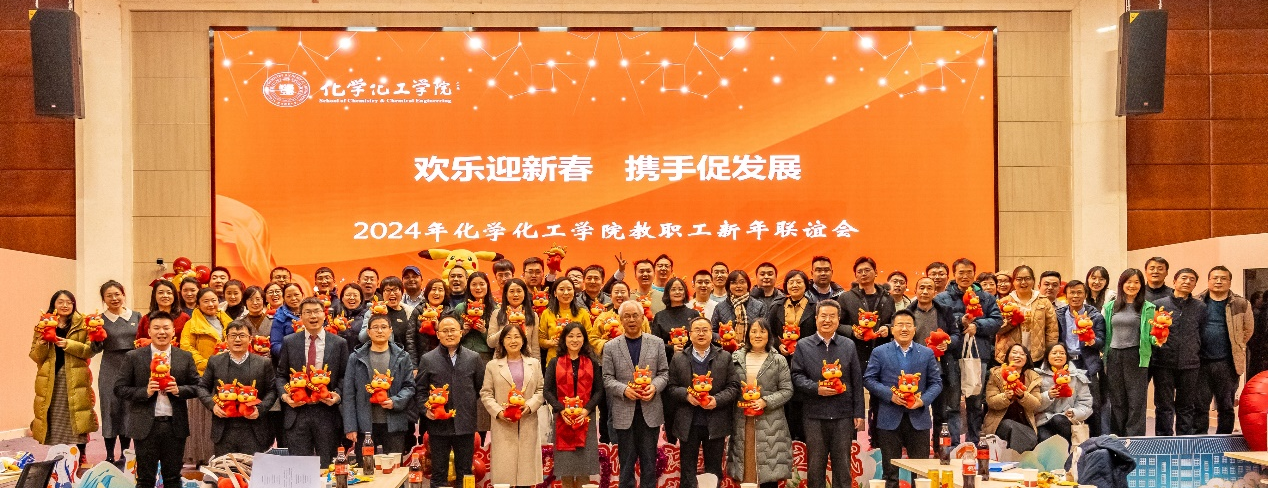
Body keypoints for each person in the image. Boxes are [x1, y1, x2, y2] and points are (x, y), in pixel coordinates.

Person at [115, 311, 200, 488]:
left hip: (174, 426)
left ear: (173, 331)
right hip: (145, 426)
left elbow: (198, 386)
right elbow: (119, 388)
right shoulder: (134, 357)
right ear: (149, 331)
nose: (162, 332)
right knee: (145, 479)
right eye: (156, 328)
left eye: (166, 328)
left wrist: (179, 390)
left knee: (173, 478)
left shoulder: (184, 357)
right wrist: (145, 392)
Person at [863, 310, 943, 488]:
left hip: (919, 419)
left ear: (915, 329)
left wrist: (923, 401)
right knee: (890, 473)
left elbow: (937, 383)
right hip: (889, 419)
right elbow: (869, 379)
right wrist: (890, 395)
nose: (904, 329)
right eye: (900, 325)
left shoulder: (926, 353)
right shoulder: (879, 352)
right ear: (892, 329)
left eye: (908, 325)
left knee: (921, 474)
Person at [790, 300, 865, 488]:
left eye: (832, 316)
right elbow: (796, 376)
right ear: (816, 318)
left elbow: (856, 381)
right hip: (814, 415)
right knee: (815, 467)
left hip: (843, 415)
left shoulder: (848, 345)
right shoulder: (803, 345)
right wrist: (816, 388)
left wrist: (858, 413)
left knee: (843, 467)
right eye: (823, 316)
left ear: (838, 320)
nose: (827, 320)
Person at [602, 300, 670, 488]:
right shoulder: (610, 346)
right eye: (627, 316)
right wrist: (624, 390)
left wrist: (654, 387)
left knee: (649, 464)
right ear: (620, 320)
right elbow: (607, 378)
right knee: (626, 464)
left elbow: (664, 373)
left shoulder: (657, 343)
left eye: (635, 316)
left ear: (642, 318)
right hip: (624, 412)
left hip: (650, 411)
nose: (631, 320)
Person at [933, 258, 1002, 444]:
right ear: (954, 274)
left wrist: (977, 326)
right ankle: (954, 444)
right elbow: (939, 323)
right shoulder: (942, 298)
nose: (965, 276)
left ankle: (974, 442)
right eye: (961, 272)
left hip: (978, 355)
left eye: (969, 272)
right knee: (952, 403)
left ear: (974, 274)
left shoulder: (986, 297)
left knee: (975, 402)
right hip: (952, 355)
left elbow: (997, 320)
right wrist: (959, 322)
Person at [668, 317, 740, 488]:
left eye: (705, 330)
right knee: (687, 471)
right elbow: (670, 387)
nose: (701, 334)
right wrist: (686, 396)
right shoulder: (678, 358)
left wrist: (717, 400)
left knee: (713, 471)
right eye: (697, 330)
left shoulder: (724, 357)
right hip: (688, 423)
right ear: (689, 334)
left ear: (712, 334)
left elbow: (734, 386)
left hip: (716, 422)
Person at [276, 297, 349, 464]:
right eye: (307, 312)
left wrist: (337, 395)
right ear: (300, 316)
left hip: (326, 412)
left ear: (324, 315)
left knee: (329, 465)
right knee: (300, 467)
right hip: (297, 412)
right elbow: (281, 375)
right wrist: (285, 396)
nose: (313, 316)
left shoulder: (339, 343)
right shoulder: (289, 341)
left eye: (317, 311)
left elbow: (345, 375)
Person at [417, 317, 485, 488]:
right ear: (438, 334)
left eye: (453, 330)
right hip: (438, 426)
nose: (449, 334)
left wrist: (465, 403)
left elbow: (480, 388)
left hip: (465, 424)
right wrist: (426, 409)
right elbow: (420, 390)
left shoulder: (473, 358)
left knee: (466, 472)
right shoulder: (428, 359)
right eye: (445, 331)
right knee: (438, 473)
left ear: (461, 333)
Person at [30, 290, 98, 459]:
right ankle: (57, 455)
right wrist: (41, 343)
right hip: (51, 378)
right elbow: (35, 356)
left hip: (76, 376)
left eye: (69, 302)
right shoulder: (44, 323)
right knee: (55, 415)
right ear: (54, 304)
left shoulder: (83, 323)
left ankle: (81, 454)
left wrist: (68, 344)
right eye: (60, 302)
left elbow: (90, 350)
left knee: (78, 415)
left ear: (74, 305)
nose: (65, 305)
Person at [726, 318, 793, 488]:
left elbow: (787, 390)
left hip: (771, 424)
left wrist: (765, 401)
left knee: (769, 473)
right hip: (743, 422)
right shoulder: (735, 358)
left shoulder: (778, 360)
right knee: (745, 472)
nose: (758, 335)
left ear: (769, 335)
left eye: (762, 331)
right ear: (747, 334)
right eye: (754, 331)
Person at [196, 321, 277, 455]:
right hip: (223, 428)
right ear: (226, 339)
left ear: (250, 339)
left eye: (242, 335)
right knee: (225, 467)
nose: (237, 339)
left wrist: (260, 409)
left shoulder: (263, 363)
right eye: (233, 335)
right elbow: (202, 387)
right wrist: (212, 405)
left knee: (252, 468)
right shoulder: (215, 361)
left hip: (254, 428)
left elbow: (272, 390)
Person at [481, 323, 546, 488]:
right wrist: (498, 412)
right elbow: (486, 393)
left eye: (517, 337)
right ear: (502, 341)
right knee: (505, 478)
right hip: (503, 424)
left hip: (528, 421)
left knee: (527, 477)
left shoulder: (534, 363)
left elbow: (541, 390)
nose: (513, 341)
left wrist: (530, 406)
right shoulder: (492, 366)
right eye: (508, 337)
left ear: (523, 340)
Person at [341, 314, 416, 455]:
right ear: (368, 332)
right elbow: (349, 393)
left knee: (393, 467)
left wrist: (395, 401)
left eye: (384, 327)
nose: (380, 331)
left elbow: (409, 386)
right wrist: (350, 426)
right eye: (375, 327)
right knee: (365, 466)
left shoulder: (402, 356)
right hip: (365, 425)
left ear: (390, 331)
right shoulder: (356, 357)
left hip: (394, 423)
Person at [1194, 266, 1255, 435]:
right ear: (1209, 280)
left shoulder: (1241, 304)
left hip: (1228, 363)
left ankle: (1224, 439)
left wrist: (1236, 345)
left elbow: (1248, 330)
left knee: (1226, 406)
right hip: (1199, 363)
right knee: (1199, 406)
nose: (1219, 281)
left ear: (1229, 282)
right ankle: (1199, 439)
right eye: (1215, 278)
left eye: (1223, 278)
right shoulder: (1196, 301)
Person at [544, 323, 602, 488]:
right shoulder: (554, 362)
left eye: (578, 336)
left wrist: (586, 410)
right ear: (564, 339)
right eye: (570, 336)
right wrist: (562, 410)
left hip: (586, 419)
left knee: (584, 470)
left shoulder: (592, 362)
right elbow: (547, 391)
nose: (574, 340)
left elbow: (599, 391)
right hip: (563, 420)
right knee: (566, 470)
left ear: (584, 339)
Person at [1151, 268, 1206, 436]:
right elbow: (1153, 333)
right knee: (1164, 405)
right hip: (1163, 363)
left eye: (1192, 279)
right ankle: (1164, 439)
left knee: (1186, 406)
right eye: (1184, 278)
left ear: (1195, 285)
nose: (1187, 282)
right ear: (1174, 281)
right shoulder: (1159, 305)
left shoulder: (1200, 307)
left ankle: (1184, 440)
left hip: (1190, 364)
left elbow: (1202, 333)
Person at [905, 277, 959, 449]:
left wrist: (948, 343)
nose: (925, 291)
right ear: (915, 291)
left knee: (941, 413)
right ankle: (914, 447)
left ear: (935, 292)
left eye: (929, 288)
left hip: (939, 369)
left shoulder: (945, 311)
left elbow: (956, 335)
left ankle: (939, 449)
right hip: (912, 371)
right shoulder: (907, 313)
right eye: (921, 287)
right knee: (912, 409)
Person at [1101, 268, 1156, 437]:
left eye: (1136, 282)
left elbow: (1152, 335)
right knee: (1117, 399)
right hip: (1114, 355)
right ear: (1121, 284)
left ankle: (1134, 438)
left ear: (1141, 285)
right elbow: (1106, 333)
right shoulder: (1110, 306)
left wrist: (1159, 338)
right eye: (1128, 282)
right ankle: (1117, 437)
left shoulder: (1148, 308)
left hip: (1136, 356)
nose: (1132, 285)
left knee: (1136, 400)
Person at [182, 287, 233, 465]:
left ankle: (223, 457)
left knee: (223, 418)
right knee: (201, 419)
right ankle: (202, 458)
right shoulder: (191, 324)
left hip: (226, 377)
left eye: (214, 300)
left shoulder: (227, 321)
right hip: (202, 376)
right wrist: (208, 363)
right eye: (206, 301)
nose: (211, 304)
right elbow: (187, 349)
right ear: (198, 304)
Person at [765, 270, 816, 441]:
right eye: (791, 282)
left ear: (806, 285)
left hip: (806, 361)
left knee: (802, 401)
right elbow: (769, 332)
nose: (794, 285)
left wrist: (801, 347)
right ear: (785, 285)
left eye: (798, 282)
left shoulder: (814, 307)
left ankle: (802, 440)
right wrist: (778, 345)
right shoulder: (777, 306)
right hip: (782, 361)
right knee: (784, 400)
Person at [1054, 280, 1106, 437]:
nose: (1075, 296)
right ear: (1066, 295)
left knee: (1093, 404)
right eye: (1072, 293)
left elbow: (1102, 341)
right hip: (1066, 363)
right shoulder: (1059, 314)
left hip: (1087, 362)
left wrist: (1092, 341)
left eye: (1079, 293)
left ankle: (1096, 439)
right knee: (1067, 401)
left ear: (1085, 295)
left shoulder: (1095, 316)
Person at [97, 281, 138, 465]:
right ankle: (109, 454)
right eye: (109, 296)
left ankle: (125, 453)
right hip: (109, 367)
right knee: (110, 409)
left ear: (123, 294)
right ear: (103, 299)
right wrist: (94, 337)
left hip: (132, 367)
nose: (114, 298)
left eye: (117, 294)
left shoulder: (136, 316)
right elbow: (95, 348)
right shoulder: (99, 320)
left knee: (129, 409)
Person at [454, 271, 498, 434]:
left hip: (486, 358)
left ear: (488, 286)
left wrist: (484, 331)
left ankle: (483, 436)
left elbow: (497, 340)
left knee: (483, 398)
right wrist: (463, 331)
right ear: (468, 287)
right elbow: (452, 337)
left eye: (481, 284)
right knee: (464, 395)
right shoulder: (460, 308)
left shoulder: (495, 309)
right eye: (474, 284)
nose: (478, 288)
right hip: (463, 357)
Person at [984, 343, 1043, 452]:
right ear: (1007, 356)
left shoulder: (1033, 377)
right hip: (999, 424)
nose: (1017, 356)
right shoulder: (996, 374)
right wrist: (1006, 397)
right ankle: (1013, 458)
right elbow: (991, 401)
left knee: (1028, 437)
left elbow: (1036, 404)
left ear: (1027, 358)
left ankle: (1011, 457)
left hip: (1025, 426)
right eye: (1014, 353)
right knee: (1009, 426)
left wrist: (1023, 396)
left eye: (1022, 354)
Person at [1034, 344, 1093, 444]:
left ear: (1067, 357)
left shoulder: (1078, 377)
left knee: (1058, 420)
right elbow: (1033, 405)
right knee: (1045, 439)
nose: (1058, 356)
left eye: (1062, 353)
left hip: (1069, 422)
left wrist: (1074, 412)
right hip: (1044, 421)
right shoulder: (1038, 377)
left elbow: (1086, 404)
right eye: (1054, 353)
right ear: (1047, 357)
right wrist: (1048, 396)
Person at [999, 266, 1058, 365]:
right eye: (1019, 279)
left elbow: (1052, 331)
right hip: (1009, 355)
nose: (1023, 282)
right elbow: (996, 330)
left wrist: (1050, 353)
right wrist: (1009, 323)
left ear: (1033, 281)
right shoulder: (1004, 302)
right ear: (1013, 282)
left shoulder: (1044, 301)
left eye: (1027, 278)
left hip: (1036, 356)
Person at [541, 278, 593, 363]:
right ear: (555, 293)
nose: (566, 293)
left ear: (574, 292)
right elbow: (541, 340)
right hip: (554, 360)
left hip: (579, 361)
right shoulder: (547, 313)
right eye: (561, 289)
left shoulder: (583, 313)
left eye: (569, 289)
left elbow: (590, 337)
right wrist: (552, 342)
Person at [651, 277, 700, 360]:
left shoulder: (694, 314)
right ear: (668, 292)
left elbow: (699, 338)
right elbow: (654, 343)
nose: (677, 292)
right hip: (667, 360)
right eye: (673, 289)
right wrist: (671, 348)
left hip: (691, 359)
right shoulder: (659, 316)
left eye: (680, 289)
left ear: (685, 292)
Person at [489, 278, 539, 359]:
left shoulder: (533, 315)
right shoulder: (497, 313)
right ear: (506, 294)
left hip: (526, 360)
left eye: (519, 291)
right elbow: (490, 343)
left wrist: (536, 364)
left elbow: (535, 346)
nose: (515, 295)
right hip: (501, 359)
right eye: (512, 291)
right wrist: (506, 328)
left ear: (525, 293)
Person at [712, 270, 768, 341]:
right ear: (728, 286)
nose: (738, 286)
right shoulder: (720, 307)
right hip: (726, 346)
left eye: (742, 282)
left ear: (748, 285)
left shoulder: (759, 306)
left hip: (753, 346)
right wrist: (723, 338)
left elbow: (765, 331)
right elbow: (712, 331)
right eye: (734, 283)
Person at [138, 279, 189, 344]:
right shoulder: (145, 319)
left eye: (169, 293)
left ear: (174, 296)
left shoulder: (184, 318)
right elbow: (138, 343)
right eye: (161, 292)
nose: (165, 296)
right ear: (154, 295)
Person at [412, 278, 450, 361]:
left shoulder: (450, 312)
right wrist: (414, 364)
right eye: (433, 289)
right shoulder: (418, 311)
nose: (436, 293)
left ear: (445, 294)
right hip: (421, 359)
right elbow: (410, 338)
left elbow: (452, 339)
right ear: (427, 292)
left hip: (444, 360)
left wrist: (438, 328)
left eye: (440, 290)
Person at [269, 282, 305, 356]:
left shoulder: (312, 312)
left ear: (302, 295)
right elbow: (275, 345)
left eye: (296, 294)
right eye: (289, 296)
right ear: (284, 298)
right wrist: (291, 353)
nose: (293, 298)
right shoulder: (279, 317)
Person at [334, 283, 368, 351]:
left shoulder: (367, 315)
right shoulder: (334, 314)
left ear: (361, 299)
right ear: (342, 298)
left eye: (355, 295)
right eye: (348, 295)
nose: (352, 298)